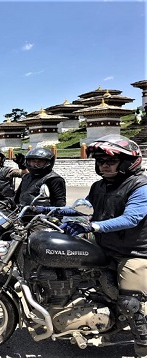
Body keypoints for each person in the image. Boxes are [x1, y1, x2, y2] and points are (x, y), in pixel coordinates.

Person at [61, 134, 147, 358]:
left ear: (128, 162)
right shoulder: (99, 185)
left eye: (110, 161)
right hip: (105, 246)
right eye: (100, 161)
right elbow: (84, 206)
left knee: (129, 302)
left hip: (135, 251)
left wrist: (92, 227)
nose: (104, 165)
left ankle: (142, 342)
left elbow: (132, 219)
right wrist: (50, 211)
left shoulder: (140, 186)